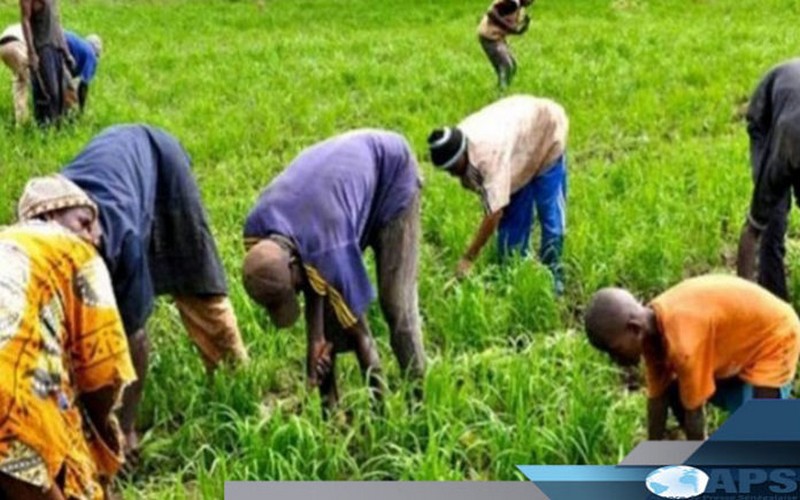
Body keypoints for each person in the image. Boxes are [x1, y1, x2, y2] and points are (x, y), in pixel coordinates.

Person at [24, 124, 250, 461]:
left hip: (162, 162)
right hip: (123, 170)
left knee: (195, 279)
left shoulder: (117, 237)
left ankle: (237, 382)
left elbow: (135, 339)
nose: (94, 236)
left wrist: (126, 427)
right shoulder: (32, 250)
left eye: (90, 223)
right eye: (82, 228)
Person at [242, 129, 426, 409]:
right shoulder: (258, 234)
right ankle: (331, 409)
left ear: (292, 263)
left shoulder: (329, 250)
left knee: (396, 305)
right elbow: (310, 276)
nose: (296, 294)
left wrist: (381, 410)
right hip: (334, 196)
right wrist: (316, 340)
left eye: (292, 290)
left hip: (392, 178)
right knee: (328, 313)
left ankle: (419, 399)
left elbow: (363, 339)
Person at [1, 175, 135, 499]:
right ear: (48, 218)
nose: (95, 237)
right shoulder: (71, 249)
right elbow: (104, 373)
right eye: (85, 222)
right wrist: (104, 434)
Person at [584, 275, 800, 440]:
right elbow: (657, 400)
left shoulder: (683, 345)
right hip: (738, 344)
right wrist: (651, 458)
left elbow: (695, 414)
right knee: (674, 390)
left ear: (634, 329)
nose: (614, 360)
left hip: (775, 337)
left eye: (614, 350)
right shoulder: (652, 329)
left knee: (762, 433)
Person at [428, 94, 569, 294]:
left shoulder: (488, 157)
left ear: (462, 154)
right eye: (447, 170)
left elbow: (494, 212)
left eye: (452, 168)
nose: (451, 174)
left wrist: (469, 257)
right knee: (513, 229)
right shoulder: (457, 142)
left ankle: (553, 275)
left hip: (545, 130)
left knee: (551, 215)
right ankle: (516, 277)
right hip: (518, 145)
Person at [737, 59, 800, 300]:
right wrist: (745, 303)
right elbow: (751, 233)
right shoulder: (784, 151)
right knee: (772, 220)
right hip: (768, 117)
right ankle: (772, 303)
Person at [20, 0, 73, 126]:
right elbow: (25, 20)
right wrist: (31, 52)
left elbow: (57, 22)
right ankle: (44, 130)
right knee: (49, 93)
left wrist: (66, 51)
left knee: (60, 93)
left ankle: (56, 130)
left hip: (56, 46)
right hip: (43, 47)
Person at [477, 0, 533, 90]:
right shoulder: (512, 3)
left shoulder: (519, 7)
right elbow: (491, 13)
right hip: (489, 37)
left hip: (497, 38)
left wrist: (521, 28)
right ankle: (502, 90)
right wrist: (510, 28)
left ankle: (503, 87)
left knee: (512, 65)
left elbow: (513, 27)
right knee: (506, 65)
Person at [0, 23, 30, 124]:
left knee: (20, 81)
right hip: (17, 44)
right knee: (34, 81)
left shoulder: (19, 25)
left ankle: (21, 120)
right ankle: (46, 118)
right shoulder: (40, 29)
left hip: (3, 47)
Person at [64, 31, 101, 113]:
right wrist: (82, 109)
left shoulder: (81, 46)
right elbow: (83, 85)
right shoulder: (91, 55)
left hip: (54, 39)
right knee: (68, 94)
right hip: (58, 48)